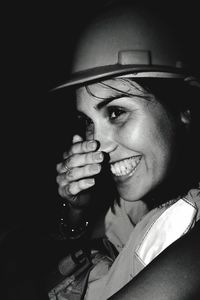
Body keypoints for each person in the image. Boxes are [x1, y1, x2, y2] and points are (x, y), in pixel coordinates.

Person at [52, 1, 200, 299]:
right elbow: (82, 242)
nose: (100, 144)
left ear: (183, 107)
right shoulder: (144, 192)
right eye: (88, 121)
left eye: (117, 112)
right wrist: (77, 207)